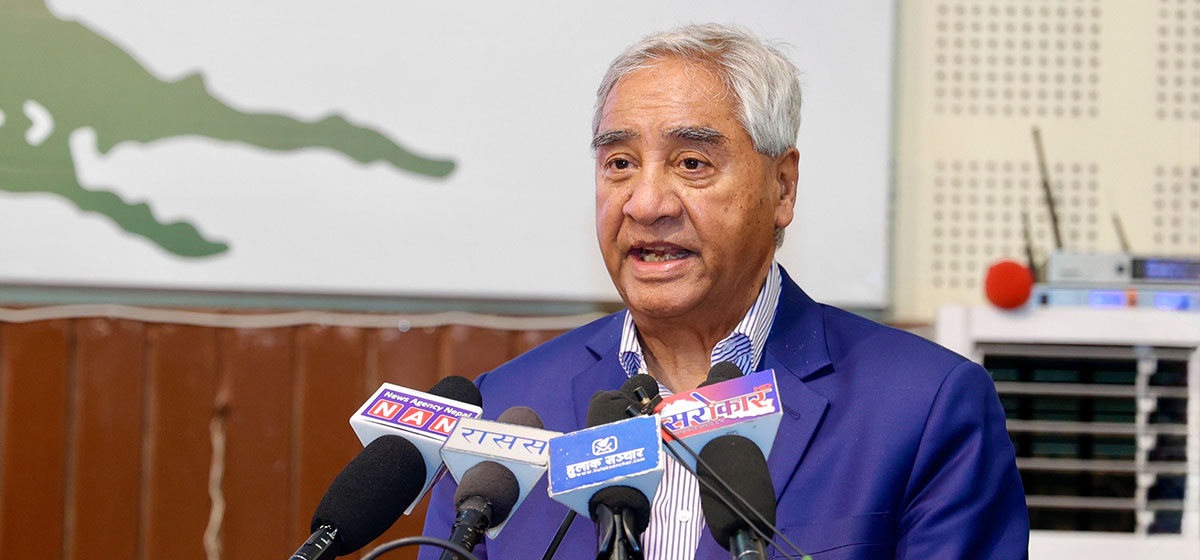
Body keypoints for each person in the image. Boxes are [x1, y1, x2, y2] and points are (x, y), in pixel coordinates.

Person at [420, 23, 1028, 559]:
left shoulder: (923, 407)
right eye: (620, 164)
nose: (645, 204)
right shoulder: (505, 409)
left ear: (782, 188)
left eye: (692, 163)